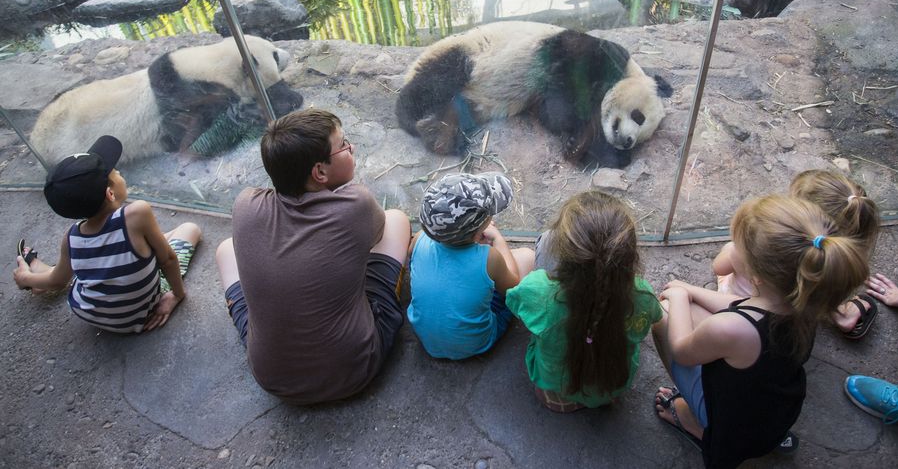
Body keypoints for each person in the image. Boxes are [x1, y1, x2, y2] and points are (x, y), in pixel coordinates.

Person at [653, 195, 869, 468]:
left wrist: (678, 297)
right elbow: (740, 305)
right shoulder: (805, 299)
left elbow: (682, 350)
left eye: (737, 246)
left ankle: (696, 423)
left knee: (663, 316)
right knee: (692, 305)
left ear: (755, 276)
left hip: (733, 428)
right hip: (775, 412)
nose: (731, 247)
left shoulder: (731, 329)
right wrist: (689, 289)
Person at [215, 108, 411, 404]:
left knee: (226, 249)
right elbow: (374, 238)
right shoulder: (356, 204)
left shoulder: (245, 204)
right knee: (396, 220)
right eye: (343, 145)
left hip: (272, 377)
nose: (352, 148)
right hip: (353, 372)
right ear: (319, 172)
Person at [13, 135, 200, 333]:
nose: (119, 172)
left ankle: (37, 277)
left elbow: (59, 281)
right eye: (115, 172)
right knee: (190, 229)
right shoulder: (138, 213)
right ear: (110, 194)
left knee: (84, 267)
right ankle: (38, 277)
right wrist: (177, 295)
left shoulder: (72, 238)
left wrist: (25, 278)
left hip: (90, 312)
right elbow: (168, 260)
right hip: (143, 311)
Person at [505, 190, 662, 412]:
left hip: (556, 396)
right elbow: (654, 319)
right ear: (630, 257)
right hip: (611, 390)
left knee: (545, 239)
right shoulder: (642, 296)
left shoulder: (536, 290)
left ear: (564, 256)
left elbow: (514, 304)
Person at [717, 169, 881, 339]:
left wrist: (730, 250)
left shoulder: (759, 253)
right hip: (800, 312)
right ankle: (841, 314)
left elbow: (719, 268)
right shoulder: (834, 257)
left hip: (749, 310)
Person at [407, 172, 535, 359]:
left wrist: (469, 241)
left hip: (428, 341)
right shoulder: (490, 258)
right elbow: (512, 289)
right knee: (527, 257)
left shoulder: (419, 239)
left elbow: (411, 256)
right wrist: (497, 239)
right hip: (476, 344)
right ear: (477, 234)